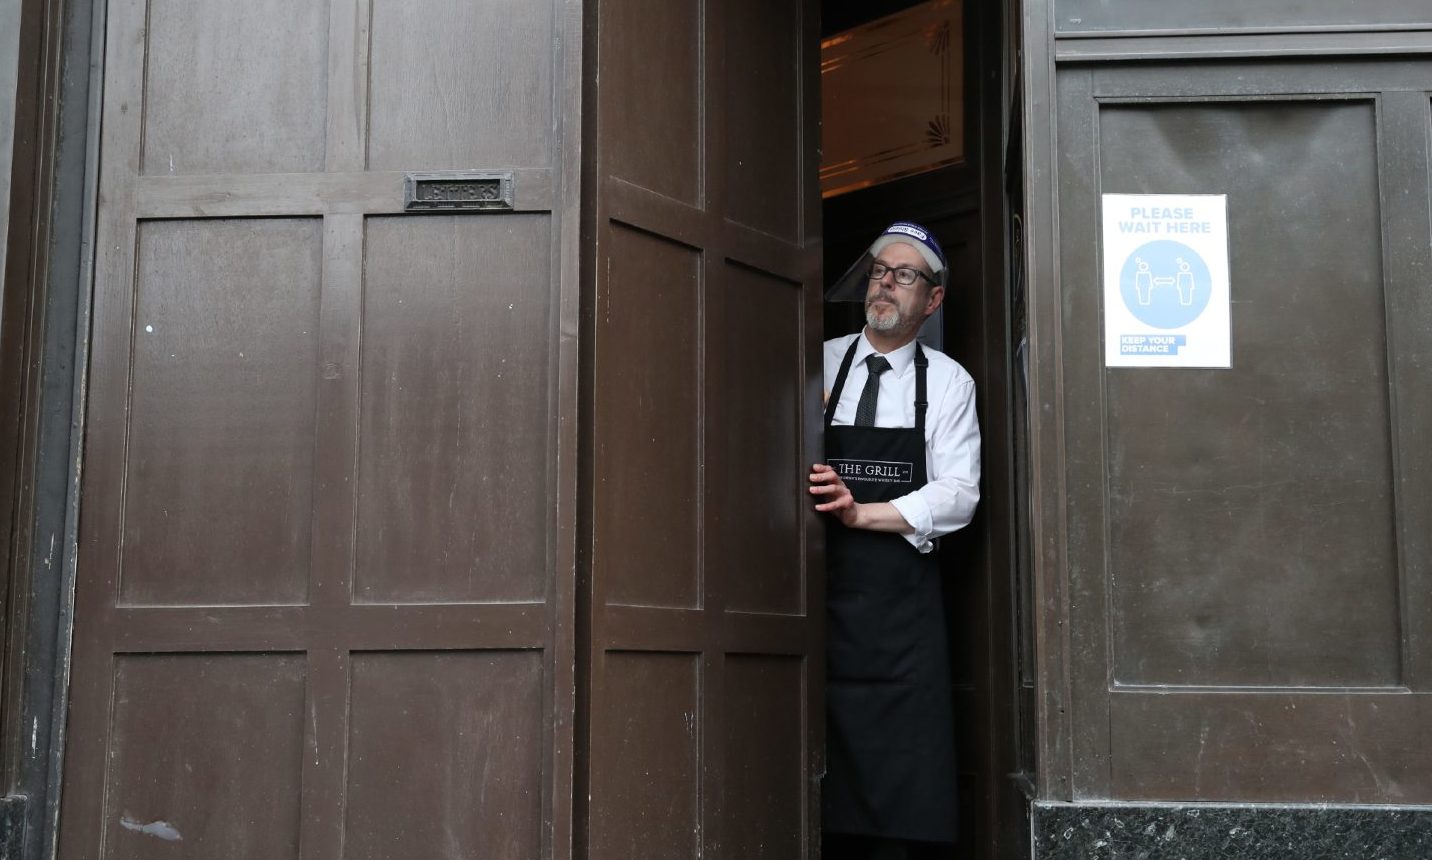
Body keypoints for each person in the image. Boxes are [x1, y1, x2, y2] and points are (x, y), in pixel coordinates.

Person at [809, 222, 981, 860]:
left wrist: (864, 514)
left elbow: (959, 493)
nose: (885, 282)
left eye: (904, 274)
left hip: (898, 616)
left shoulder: (948, 383)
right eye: (880, 270)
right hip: (816, 604)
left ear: (931, 300)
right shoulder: (816, 361)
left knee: (901, 777)